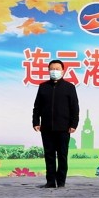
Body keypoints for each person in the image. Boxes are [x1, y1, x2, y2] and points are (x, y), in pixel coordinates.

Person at [32, 59, 79, 188]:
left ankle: (61, 181)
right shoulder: (43, 87)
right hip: (46, 128)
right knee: (49, 156)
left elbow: (75, 108)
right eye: (52, 69)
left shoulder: (69, 87)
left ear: (63, 71)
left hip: (64, 128)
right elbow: (37, 107)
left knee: (62, 156)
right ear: (48, 70)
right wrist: (36, 122)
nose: (54, 71)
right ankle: (50, 181)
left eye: (57, 69)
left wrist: (74, 124)